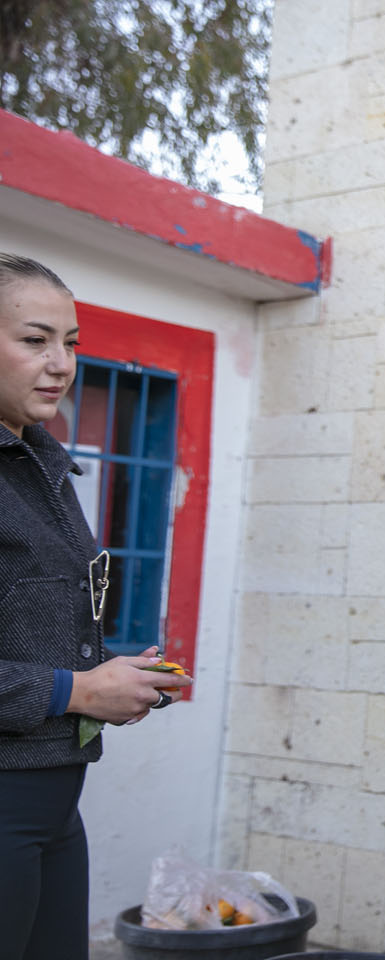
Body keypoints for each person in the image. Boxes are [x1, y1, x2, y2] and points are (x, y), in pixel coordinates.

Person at [0, 253, 194, 960]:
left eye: (72, 343)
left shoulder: (44, 465)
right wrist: (80, 689)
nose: (60, 363)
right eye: (34, 339)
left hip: (55, 801)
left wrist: (113, 679)